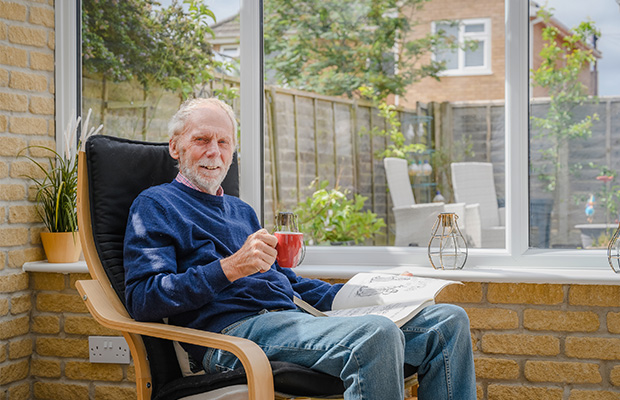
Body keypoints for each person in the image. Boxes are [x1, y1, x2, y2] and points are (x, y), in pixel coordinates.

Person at [124, 97, 476, 400]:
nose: (214, 152)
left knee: (447, 322)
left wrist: (374, 293)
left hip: (292, 321)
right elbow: (143, 298)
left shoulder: (240, 210)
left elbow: (286, 283)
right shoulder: (156, 204)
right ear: (175, 146)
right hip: (233, 337)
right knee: (375, 335)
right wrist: (231, 267)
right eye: (201, 139)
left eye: (224, 142)